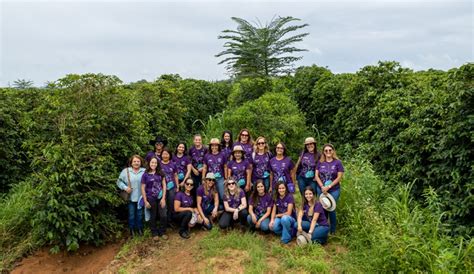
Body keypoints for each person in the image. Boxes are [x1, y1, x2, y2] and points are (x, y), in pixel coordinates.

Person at [315, 143, 344, 234]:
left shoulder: (338, 162)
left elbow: (339, 177)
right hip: (321, 189)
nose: (328, 152)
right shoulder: (320, 162)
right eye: (326, 150)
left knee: (331, 208)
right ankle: (324, 227)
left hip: (334, 189)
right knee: (323, 207)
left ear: (333, 151)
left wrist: (329, 186)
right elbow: (316, 175)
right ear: (323, 152)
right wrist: (322, 187)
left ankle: (333, 230)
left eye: (330, 150)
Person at [116, 155, 146, 237]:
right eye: (134, 161)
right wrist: (125, 187)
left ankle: (140, 228)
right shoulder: (126, 171)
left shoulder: (144, 171)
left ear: (141, 162)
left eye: (138, 161)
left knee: (140, 214)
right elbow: (119, 182)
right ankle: (132, 229)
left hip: (141, 197)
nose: (136, 163)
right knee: (131, 214)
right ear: (131, 163)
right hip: (131, 198)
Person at [140, 157, 168, 240]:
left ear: (157, 164)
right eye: (152, 162)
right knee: (153, 215)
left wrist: (163, 198)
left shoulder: (160, 173)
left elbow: (164, 185)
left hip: (160, 197)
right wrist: (145, 201)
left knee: (163, 215)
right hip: (150, 197)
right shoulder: (145, 174)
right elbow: (142, 188)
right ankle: (154, 233)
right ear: (149, 163)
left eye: (155, 163)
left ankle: (162, 231)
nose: (153, 164)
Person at [202, 138, 227, 202]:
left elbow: (225, 167)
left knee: (222, 195)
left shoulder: (223, 155)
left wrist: (226, 178)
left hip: (220, 178)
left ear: (219, 146)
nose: (214, 147)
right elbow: (204, 168)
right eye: (212, 145)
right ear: (210, 146)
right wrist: (203, 178)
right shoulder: (207, 155)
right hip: (210, 179)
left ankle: (223, 208)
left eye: (216, 145)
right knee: (210, 195)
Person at [160, 148, 179, 224]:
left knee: (171, 203)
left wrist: (177, 186)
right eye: (164, 154)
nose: (165, 156)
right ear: (161, 155)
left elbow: (175, 175)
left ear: (170, 155)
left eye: (167, 154)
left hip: (172, 187)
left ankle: (170, 220)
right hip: (162, 187)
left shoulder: (173, 164)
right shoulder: (158, 164)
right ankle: (164, 221)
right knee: (164, 205)